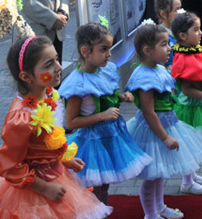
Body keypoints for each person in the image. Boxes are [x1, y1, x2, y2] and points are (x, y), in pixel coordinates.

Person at [0, 36, 112, 219]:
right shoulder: (21, 118)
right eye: (48, 65)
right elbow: (10, 167)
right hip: (33, 190)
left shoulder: (49, 94)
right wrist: (44, 188)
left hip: (56, 177)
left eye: (56, 59)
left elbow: (48, 140)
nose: (58, 67)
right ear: (26, 77)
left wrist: (61, 159)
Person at [60, 23, 151, 206]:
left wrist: (120, 96)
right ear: (85, 51)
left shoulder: (105, 71)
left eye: (109, 48)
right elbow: (71, 121)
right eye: (103, 49)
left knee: (105, 185)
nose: (109, 54)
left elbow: (106, 93)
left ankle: (102, 212)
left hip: (110, 138)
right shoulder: (78, 84)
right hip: (92, 143)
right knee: (95, 188)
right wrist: (102, 116)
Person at [126, 23, 202, 219]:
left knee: (159, 174)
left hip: (167, 125)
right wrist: (165, 138)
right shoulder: (144, 77)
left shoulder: (158, 68)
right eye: (164, 44)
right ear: (147, 51)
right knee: (151, 177)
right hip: (153, 132)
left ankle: (160, 207)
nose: (169, 47)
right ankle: (150, 214)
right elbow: (149, 112)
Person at [154, 0, 182, 69]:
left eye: (181, 8)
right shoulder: (160, 35)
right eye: (176, 10)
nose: (180, 12)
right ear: (163, 14)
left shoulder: (179, 30)